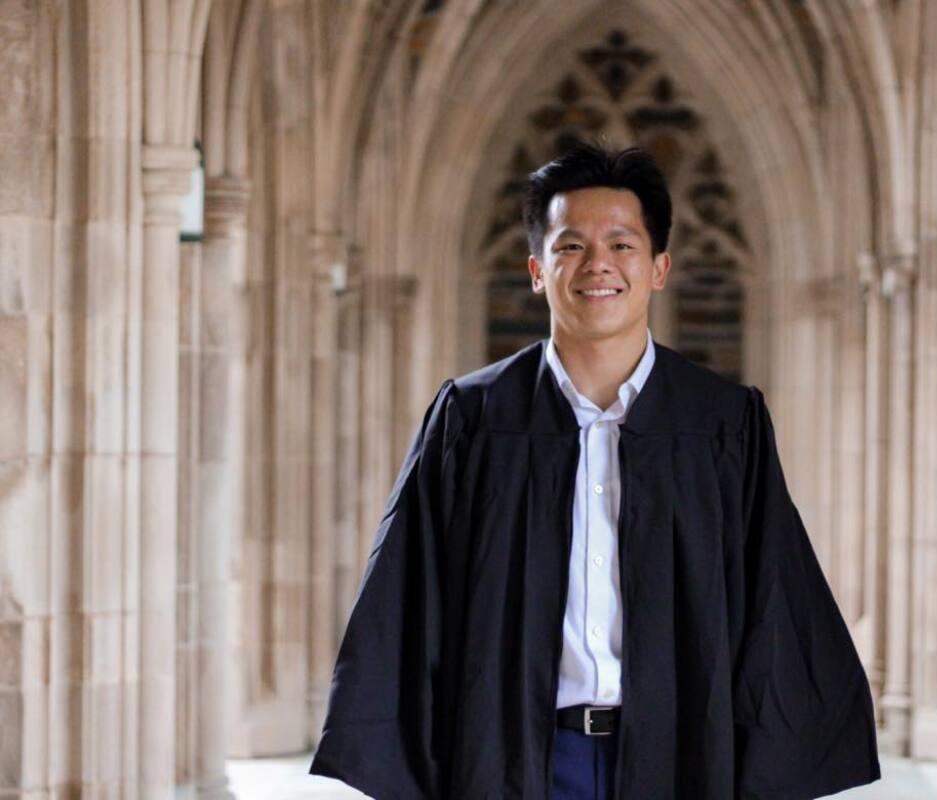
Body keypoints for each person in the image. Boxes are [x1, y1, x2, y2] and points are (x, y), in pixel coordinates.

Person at [310, 143, 880, 799]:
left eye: (622, 244)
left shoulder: (723, 425)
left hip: (678, 755)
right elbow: (410, 602)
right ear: (536, 269)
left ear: (659, 268)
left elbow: (772, 606)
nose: (597, 264)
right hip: (517, 758)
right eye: (571, 246)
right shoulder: (472, 421)